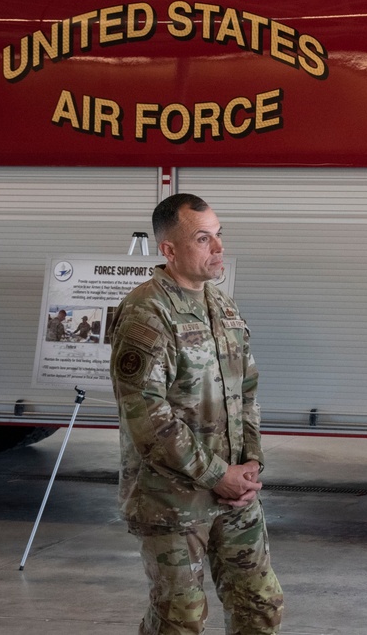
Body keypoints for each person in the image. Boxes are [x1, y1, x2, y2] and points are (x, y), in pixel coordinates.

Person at [108, 193, 284, 635]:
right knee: (179, 621)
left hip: (235, 495)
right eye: (203, 239)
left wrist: (250, 466)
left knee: (261, 605)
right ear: (169, 250)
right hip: (172, 501)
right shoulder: (145, 314)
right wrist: (217, 474)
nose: (218, 248)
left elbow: (247, 393)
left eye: (219, 236)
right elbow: (148, 419)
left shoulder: (223, 307)